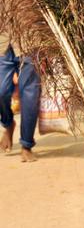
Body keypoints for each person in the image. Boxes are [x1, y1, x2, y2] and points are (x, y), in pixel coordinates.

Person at [0, 29, 40, 162]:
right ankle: (8, 123)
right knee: (1, 91)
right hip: (2, 41)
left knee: (30, 95)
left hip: (29, 38)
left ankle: (26, 145)